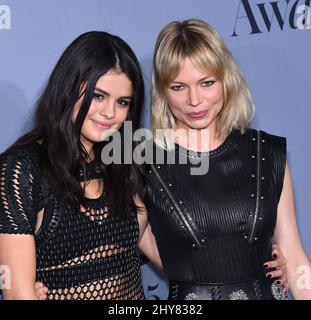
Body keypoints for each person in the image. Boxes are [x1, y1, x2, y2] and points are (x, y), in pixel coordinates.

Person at [140, 19, 310, 300]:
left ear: (226, 79)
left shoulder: (266, 151)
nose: (195, 100)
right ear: (162, 91)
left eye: (207, 83)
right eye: (178, 87)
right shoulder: (143, 161)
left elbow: (294, 257)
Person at [0, 31, 149, 300]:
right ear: (68, 89)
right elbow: (18, 293)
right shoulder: (22, 169)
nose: (109, 113)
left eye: (122, 102)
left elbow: (170, 253)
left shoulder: (122, 163)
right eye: (98, 96)